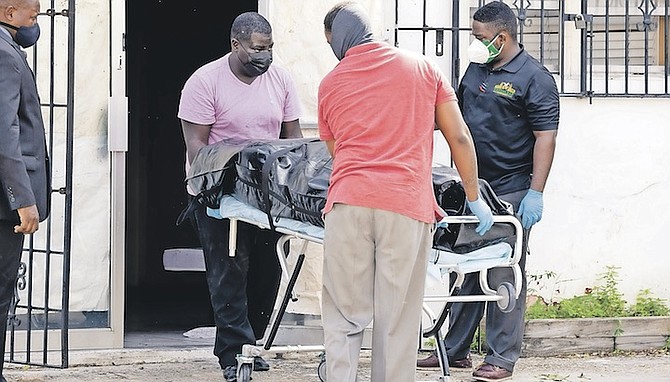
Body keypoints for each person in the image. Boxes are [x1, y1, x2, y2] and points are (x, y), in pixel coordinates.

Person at [318, 3, 494, 381]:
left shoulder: (330, 82)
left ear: (341, 37)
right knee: (397, 319)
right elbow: (459, 136)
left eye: (331, 40)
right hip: (405, 204)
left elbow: (336, 151)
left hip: (348, 202)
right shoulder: (424, 69)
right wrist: (474, 198)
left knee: (344, 316)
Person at [416, 2, 559, 381]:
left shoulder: (535, 78)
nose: (474, 42)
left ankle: (501, 357)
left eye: (479, 37)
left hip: (511, 188)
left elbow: (546, 137)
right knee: (463, 267)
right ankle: (455, 349)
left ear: (503, 37)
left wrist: (535, 192)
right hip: (471, 185)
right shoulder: (477, 67)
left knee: (502, 271)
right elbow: (455, 115)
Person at [177, 11, 302, 382]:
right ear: (236, 45)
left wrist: (293, 185)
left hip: (267, 193)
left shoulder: (280, 79)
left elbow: (291, 137)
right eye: (258, 48)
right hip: (219, 190)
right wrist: (223, 186)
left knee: (268, 270)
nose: (265, 55)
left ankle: (253, 345)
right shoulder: (205, 82)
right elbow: (196, 147)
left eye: (270, 48)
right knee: (229, 271)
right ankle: (233, 354)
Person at [0, 1, 50, 381]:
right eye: (32, 14)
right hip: (6, 204)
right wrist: (24, 201)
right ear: (9, 11)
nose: (36, 20)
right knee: (2, 292)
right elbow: (5, 136)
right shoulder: (5, 53)